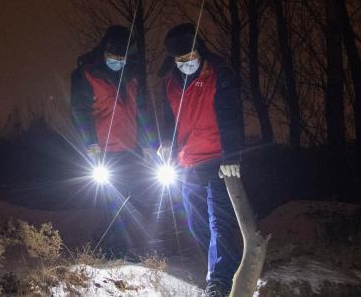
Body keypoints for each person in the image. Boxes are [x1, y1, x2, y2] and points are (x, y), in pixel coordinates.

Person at [160, 22, 243, 297]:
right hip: (188, 162)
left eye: (190, 57)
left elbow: (231, 116)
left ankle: (219, 280)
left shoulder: (220, 74)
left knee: (219, 219)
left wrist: (232, 154)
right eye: (180, 60)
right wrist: (167, 145)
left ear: (199, 50)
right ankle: (220, 267)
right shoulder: (171, 83)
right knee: (196, 223)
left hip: (219, 159)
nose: (186, 63)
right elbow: (170, 119)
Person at [70, 24, 156, 259]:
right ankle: (115, 250)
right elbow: (80, 111)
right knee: (112, 201)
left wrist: (148, 144)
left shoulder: (132, 77)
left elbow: (141, 112)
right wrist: (91, 143)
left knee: (130, 199)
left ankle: (119, 246)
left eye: (122, 58)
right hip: (103, 150)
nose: (117, 61)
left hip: (130, 149)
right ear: (104, 51)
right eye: (113, 57)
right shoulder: (86, 75)